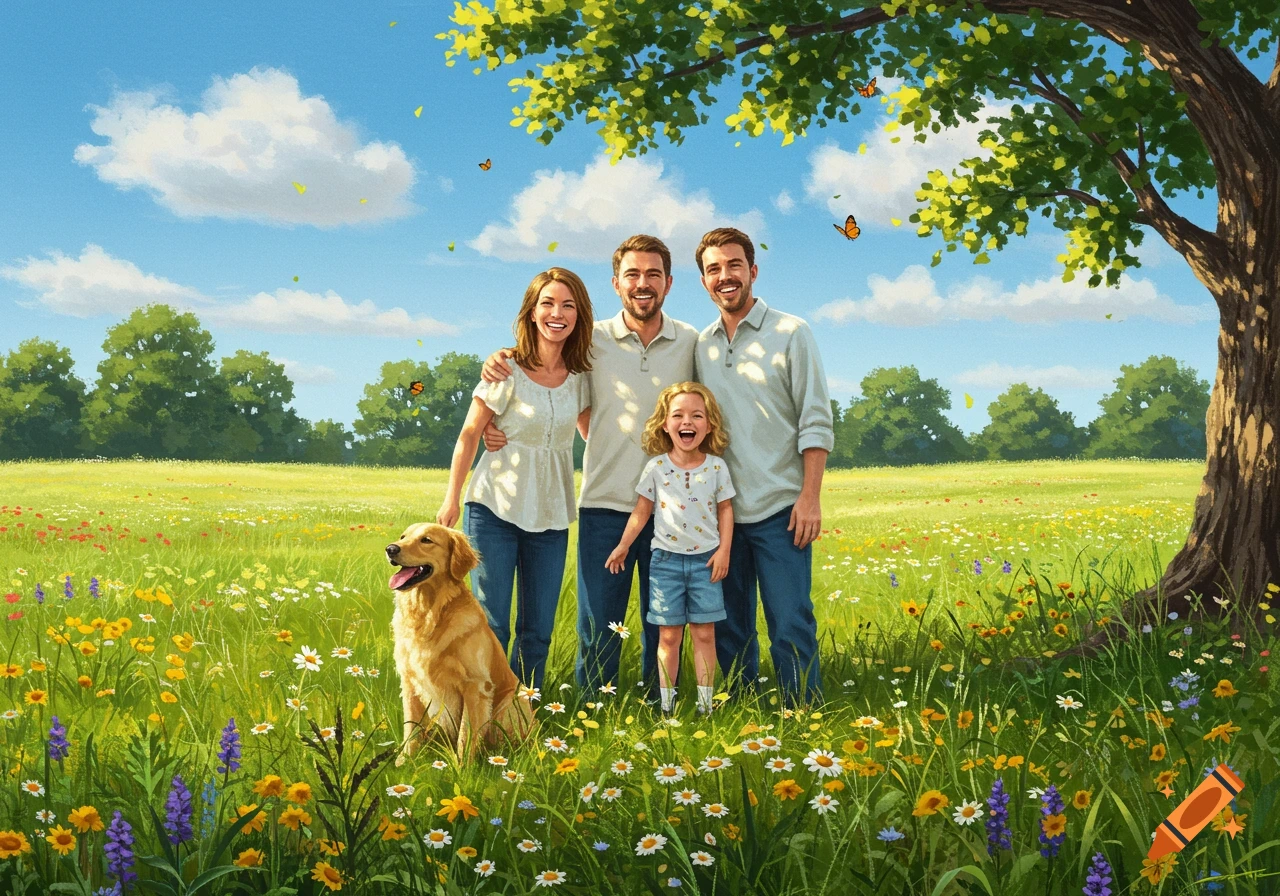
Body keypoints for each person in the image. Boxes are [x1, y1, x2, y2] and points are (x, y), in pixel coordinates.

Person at [480, 235, 699, 698]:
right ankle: (595, 712)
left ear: (670, 283)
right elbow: (546, 381)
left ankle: (659, 709)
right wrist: (496, 409)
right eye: (633, 275)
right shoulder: (588, 339)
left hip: (675, 509)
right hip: (603, 504)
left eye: (653, 274)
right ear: (616, 283)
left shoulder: (691, 342)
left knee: (664, 622)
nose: (643, 284)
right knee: (600, 627)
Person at [692, 227, 834, 705]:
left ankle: (804, 714)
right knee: (731, 624)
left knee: (790, 619)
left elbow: (815, 419)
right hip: (722, 513)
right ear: (704, 281)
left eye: (734, 265)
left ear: (752, 271)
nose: (724, 276)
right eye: (714, 269)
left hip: (781, 508)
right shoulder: (702, 346)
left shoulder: (792, 333)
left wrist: (809, 497)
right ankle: (744, 714)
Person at [436, 267, 593, 690]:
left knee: (538, 630)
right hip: (493, 510)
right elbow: (470, 433)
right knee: (491, 624)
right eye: (547, 303)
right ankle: (485, 711)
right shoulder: (506, 368)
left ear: (580, 316)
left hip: (551, 514)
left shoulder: (581, 379)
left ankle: (526, 711)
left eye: (567, 305)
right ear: (531, 312)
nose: (556, 313)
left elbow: (594, 434)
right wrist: (451, 499)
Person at [606, 382, 734, 716]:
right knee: (668, 638)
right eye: (678, 415)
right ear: (665, 423)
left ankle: (706, 708)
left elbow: (725, 511)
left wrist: (723, 552)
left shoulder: (717, 467)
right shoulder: (657, 467)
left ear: (709, 425)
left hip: (706, 563)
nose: (687, 422)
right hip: (664, 564)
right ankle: (667, 708)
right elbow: (641, 511)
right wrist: (623, 546)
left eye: (696, 415)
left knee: (705, 634)